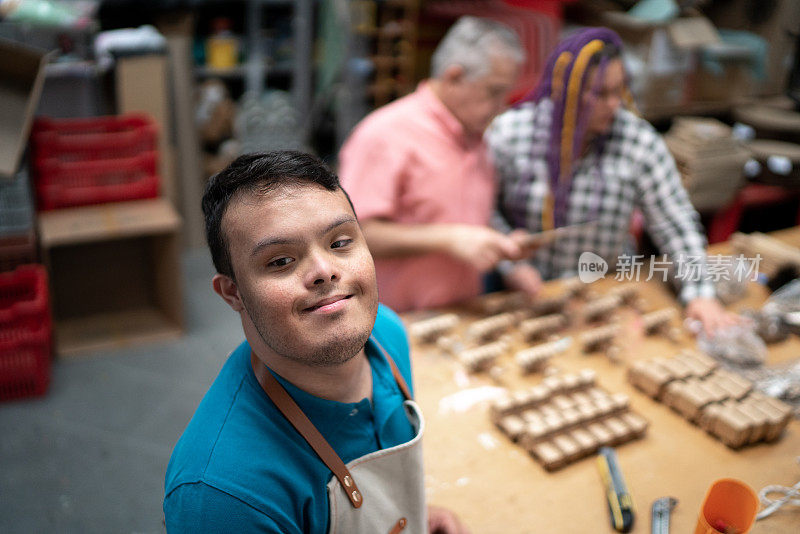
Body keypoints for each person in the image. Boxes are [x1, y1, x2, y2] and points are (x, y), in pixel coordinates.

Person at [163, 151, 467, 533]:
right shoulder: (222, 496)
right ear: (233, 293)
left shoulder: (387, 334)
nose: (324, 271)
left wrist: (411, 515)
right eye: (280, 261)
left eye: (340, 242)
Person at [487, 27, 737, 334]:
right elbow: (482, 209)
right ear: (563, 91)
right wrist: (512, 265)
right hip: (529, 295)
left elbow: (675, 222)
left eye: (619, 90)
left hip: (605, 290)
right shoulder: (511, 133)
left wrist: (700, 292)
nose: (614, 104)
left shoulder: (637, 141)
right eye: (600, 94)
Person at [338, 16, 542, 313]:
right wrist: (449, 238)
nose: (502, 107)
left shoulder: (477, 138)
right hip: (393, 321)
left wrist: (504, 251)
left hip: (459, 313)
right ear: (454, 76)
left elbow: (469, 220)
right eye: (494, 92)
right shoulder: (385, 133)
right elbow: (351, 236)